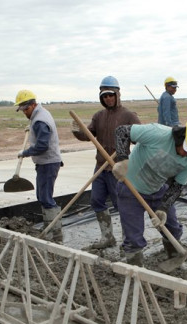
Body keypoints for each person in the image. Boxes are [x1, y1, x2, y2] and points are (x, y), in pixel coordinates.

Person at [112, 118, 187, 266]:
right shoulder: (158, 134)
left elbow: (177, 186)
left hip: (157, 189)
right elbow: (122, 131)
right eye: (186, 148)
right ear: (182, 136)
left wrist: (164, 208)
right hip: (131, 189)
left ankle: (173, 261)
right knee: (133, 239)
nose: (186, 154)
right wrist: (122, 159)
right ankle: (136, 271)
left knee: (172, 229)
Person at [72, 76, 141, 250]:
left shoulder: (128, 115)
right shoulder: (99, 116)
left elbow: (140, 138)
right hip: (101, 167)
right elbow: (89, 135)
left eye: (111, 95)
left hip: (119, 169)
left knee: (122, 205)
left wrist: (132, 134)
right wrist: (78, 131)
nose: (108, 98)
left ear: (117, 94)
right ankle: (107, 237)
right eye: (105, 96)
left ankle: (128, 239)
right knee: (96, 200)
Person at [15, 89, 64, 243]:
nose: (25, 113)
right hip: (45, 163)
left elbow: (42, 146)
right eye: (22, 110)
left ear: (33, 104)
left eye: (26, 109)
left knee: (46, 197)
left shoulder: (40, 121)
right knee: (41, 196)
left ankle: (55, 232)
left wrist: (25, 152)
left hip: (48, 163)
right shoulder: (39, 115)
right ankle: (50, 228)